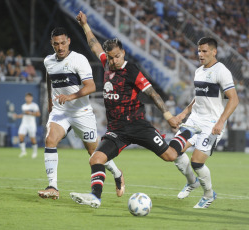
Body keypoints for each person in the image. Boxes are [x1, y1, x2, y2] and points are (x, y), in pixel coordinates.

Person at [69, 11, 201, 208]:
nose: (114, 61)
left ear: (123, 53)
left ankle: (188, 134)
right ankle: (95, 197)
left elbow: (152, 93)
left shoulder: (131, 70)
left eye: (117, 56)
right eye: (111, 57)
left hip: (138, 125)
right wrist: (85, 26)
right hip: (116, 130)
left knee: (170, 156)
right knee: (96, 158)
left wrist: (168, 116)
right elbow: (94, 45)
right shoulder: (106, 63)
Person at [37, 27, 125, 200]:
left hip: (81, 112)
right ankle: (52, 186)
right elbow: (49, 77)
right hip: (60, 111)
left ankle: (117, 173)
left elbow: (91, 87)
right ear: (52, 44)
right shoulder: (48, 61)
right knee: (50, 139)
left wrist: (69, 97)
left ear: (68, 41)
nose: (60, 47)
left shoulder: (79, 60)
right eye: (56, 44)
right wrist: (49, 100)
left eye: (63, 43)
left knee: (94, 153)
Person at [174, 37, 239, 208]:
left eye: (204, 51)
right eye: (199, 51)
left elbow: (234, 99)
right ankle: (191, 182)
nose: (200, 55)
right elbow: (198, 96)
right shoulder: (199, 71)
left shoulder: (221, 71)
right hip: (194, 120)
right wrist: (184, 113)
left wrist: (221, 122)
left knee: (196, 162)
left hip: (211, 123)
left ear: (214, 52)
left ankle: (209, 195)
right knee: (173, 152)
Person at [14, 92, 41, 159]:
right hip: (24, 124)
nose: (28, 98)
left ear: (31, 98)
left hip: (31, 124)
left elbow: (38, 114)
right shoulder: (23, 106)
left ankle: (35, 152)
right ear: (25, 98)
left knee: (32, 139)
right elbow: (23, 115)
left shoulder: (34, 105)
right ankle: (23, 152)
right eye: (27, 97)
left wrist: (30, 113)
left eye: (29, 97)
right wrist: (17, 116)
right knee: (20, 136)